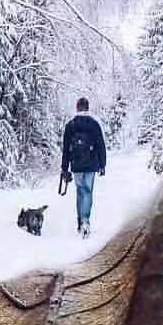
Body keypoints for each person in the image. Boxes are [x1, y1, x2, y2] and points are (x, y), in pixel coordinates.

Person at [61, 97, 106, 238]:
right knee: (88, 191)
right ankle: (86, 221)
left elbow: (66, 149)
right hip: (91, 164)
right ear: (87, 108)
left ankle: (80, 222)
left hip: (76, 164)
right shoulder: (94, 124)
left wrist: (64, 168)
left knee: (80, 191)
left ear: (77, 108)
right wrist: (102, 165)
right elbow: (100, 145)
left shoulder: (70, 125)